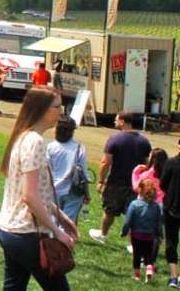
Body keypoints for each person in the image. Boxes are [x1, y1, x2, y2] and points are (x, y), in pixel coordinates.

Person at [0, 86, 77, 291]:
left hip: (9, 229)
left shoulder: (24, 136)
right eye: (57, 107)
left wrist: (62, 217)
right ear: (41, 109)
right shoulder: (35, 142)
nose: (61, 112)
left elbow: (37, 193)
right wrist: (57, 232)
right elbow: (29, 196)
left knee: (13, 286)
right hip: (26, 233)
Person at [89, 112, 152, 244]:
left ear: (123, 122)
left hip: (116, 183)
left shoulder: (114, 139)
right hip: (136, 185)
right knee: (133, 214)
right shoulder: (144, 141)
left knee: (109, 211)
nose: (114, 122)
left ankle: (103, 234)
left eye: (116, 119)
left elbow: (105, 163)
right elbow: (147, 164)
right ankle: (133, 244)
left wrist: (101, 181)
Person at [46, 116, 90, 223]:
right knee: (67, 223)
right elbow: (84, 174)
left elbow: (45, 171)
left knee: (53, 222)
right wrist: (87, 194)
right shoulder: (79, 148)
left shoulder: (50, 147)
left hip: (53, 190)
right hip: (73, 191)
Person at [122, 179, 163, 283]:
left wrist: (124, 231)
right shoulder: (156, 207)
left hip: (136, 235)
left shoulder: (134, 204)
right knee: (148, 254)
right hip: (150, 236)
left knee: (137, 254)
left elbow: (127, 221)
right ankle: (149, 269)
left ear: (140, 190)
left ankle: (136, 274)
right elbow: (159, 223)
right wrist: (159, 234)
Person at [161, 140, 180, 287]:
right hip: (172, 208)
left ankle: (174, 276)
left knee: (171, 241)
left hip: (172, 207)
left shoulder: (171, 163)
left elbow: (163, 184)